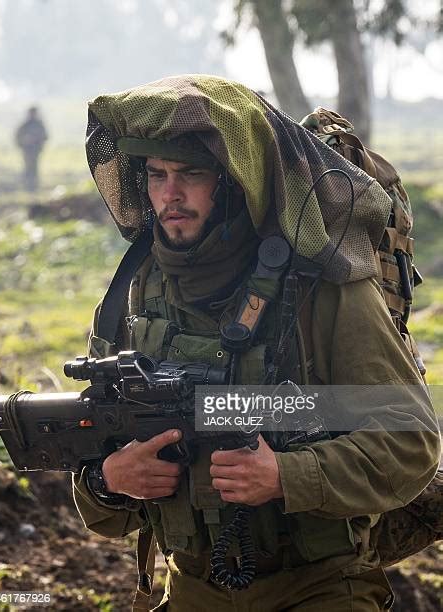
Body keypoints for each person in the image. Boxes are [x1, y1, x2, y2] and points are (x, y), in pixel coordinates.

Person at [73, 75, 440, 611]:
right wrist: (110, 481)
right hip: (193, 586)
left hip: (319, 585)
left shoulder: (324, 286)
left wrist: (287, 476)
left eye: (191, 174)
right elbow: (97, 477)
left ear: (234, 180)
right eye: (156, 175)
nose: (169, 196)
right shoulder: (132, 297)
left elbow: (410, 443)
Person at [15, 106, 48, 192]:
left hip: (35, 151)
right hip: (27, 150)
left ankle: (34, 186)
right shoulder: (25, 125)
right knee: (28, 167)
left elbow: (45, 136)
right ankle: (27, 186)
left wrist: (36, 140)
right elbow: (18, 137)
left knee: (34, 167)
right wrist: (25, 141)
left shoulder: (39, 124)